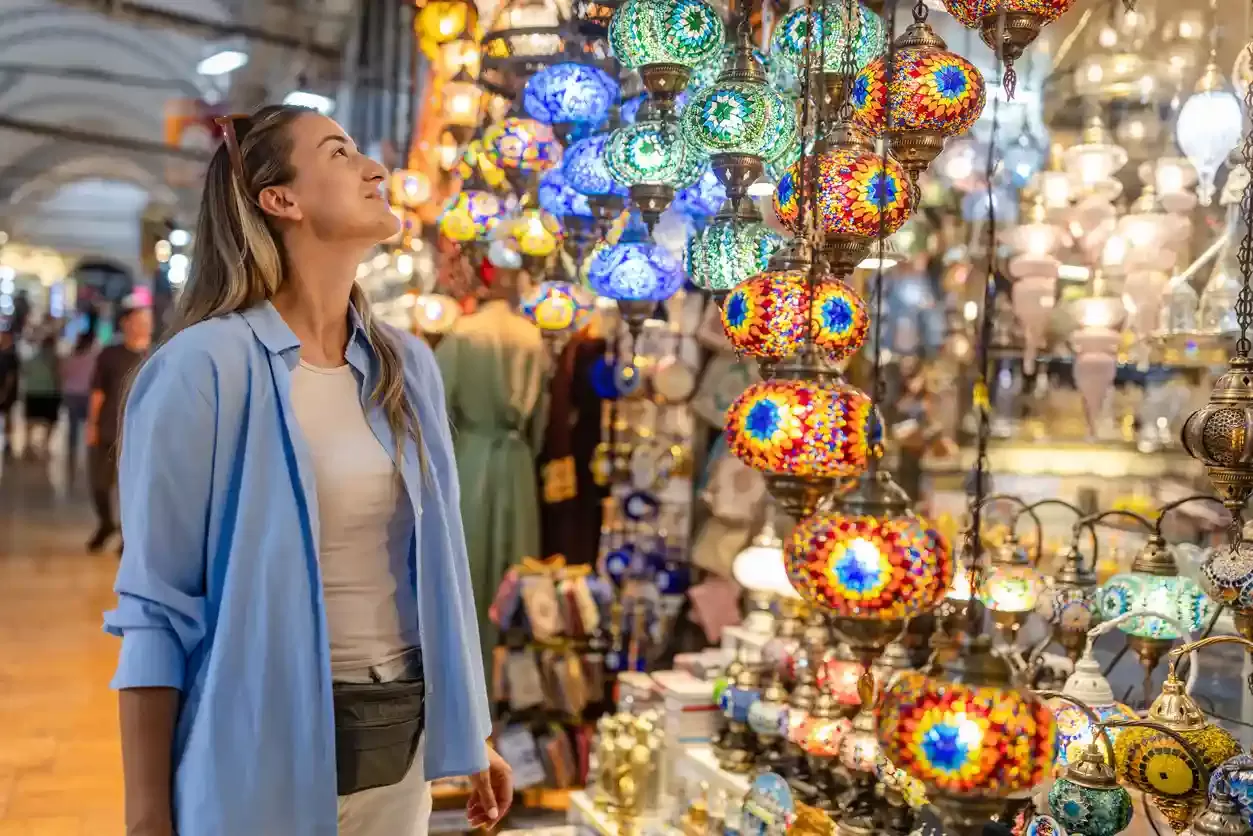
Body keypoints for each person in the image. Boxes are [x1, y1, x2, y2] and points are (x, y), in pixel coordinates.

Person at [102, 105, 511, 836]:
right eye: (339, 153)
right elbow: (155, 612)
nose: (375, 169)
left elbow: (437, 569)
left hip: (398, 751)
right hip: (256, 756)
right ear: (279, 199)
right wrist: (145, 821)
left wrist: (469, 728)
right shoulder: (203, 368)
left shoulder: (405, 364)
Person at [86, 297, 151, 552]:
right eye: (138, 321)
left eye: (146, 322)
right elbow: (98, 392)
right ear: (126, 323)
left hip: (140, 432)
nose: (143, 326)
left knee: (133, 487)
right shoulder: (110, 354)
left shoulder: (156, 354)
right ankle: (105, 523)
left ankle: (128, 536)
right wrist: (92, 424)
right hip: (108, 428)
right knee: (100, 484)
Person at [60, 330, 98, 469]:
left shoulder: (71, 357)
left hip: (71, 394)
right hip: (86, 395)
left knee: (73, 427)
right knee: (90, 424)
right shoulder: (93, 358)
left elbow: (63, 374)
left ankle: (72, 452)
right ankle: (89, 451)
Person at [21, 333, 62, 457]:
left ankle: (28, 444)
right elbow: (59, 375)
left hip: (32, 391)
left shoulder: (33, 358)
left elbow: (25, 372)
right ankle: (46, 445)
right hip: (49, 392)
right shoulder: (55, 359)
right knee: (50, 420)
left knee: (31, 420)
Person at [0, 329, 16, 455]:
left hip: (7, 392)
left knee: (7, 417)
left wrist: (5, 391)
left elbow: (11, 376)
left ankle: (7, 441)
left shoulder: (12, 356)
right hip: (5, 390)